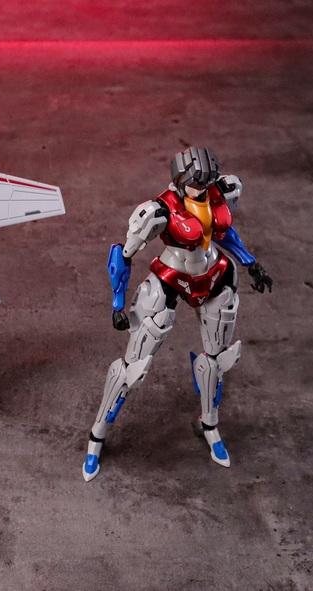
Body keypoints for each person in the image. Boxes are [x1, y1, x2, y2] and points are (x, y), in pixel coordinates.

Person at [83, 147, 273, 481]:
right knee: (132, 367)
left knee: (216, 359)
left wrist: (251, 263)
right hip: (169, 279)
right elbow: (122, 255)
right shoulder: (157, 211)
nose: (202, 189)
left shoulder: (222, 191)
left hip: (214, 274)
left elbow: (224, 232)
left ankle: (209, 424)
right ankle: (97, 434)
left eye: (207, 182)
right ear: (181, 180)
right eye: (196, 183)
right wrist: (117, 304)